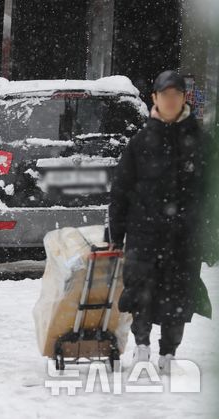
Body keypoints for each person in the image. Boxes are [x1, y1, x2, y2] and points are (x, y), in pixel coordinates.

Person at [108, 70, 216, 372]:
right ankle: (141, 347)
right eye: (164, 95)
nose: (170, 101)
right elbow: (121, 191)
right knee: (140, 292)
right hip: (145, 235)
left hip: (185, 236)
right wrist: (116, 233)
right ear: (155, 98)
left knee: (177, 297)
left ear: (184, 99)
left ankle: (168, 353)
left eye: (176, 95)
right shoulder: (140, 143)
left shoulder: (201, 142)